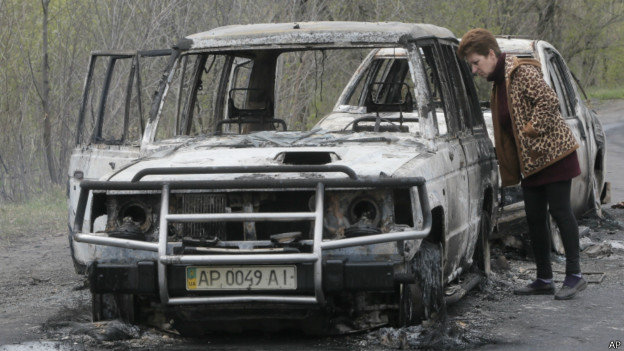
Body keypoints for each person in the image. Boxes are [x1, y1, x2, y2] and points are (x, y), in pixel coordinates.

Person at [457, 28, 586, 300]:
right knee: (535, 218)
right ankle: (544, 279)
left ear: (491, 54)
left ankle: (574, 276)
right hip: (532, 163)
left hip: (555, 155)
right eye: (471, 64)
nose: (474, 69)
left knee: (561, 213)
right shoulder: (499, 83)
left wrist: (530, 130)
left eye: (476, 62)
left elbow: (549, 101)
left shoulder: (520, 72)